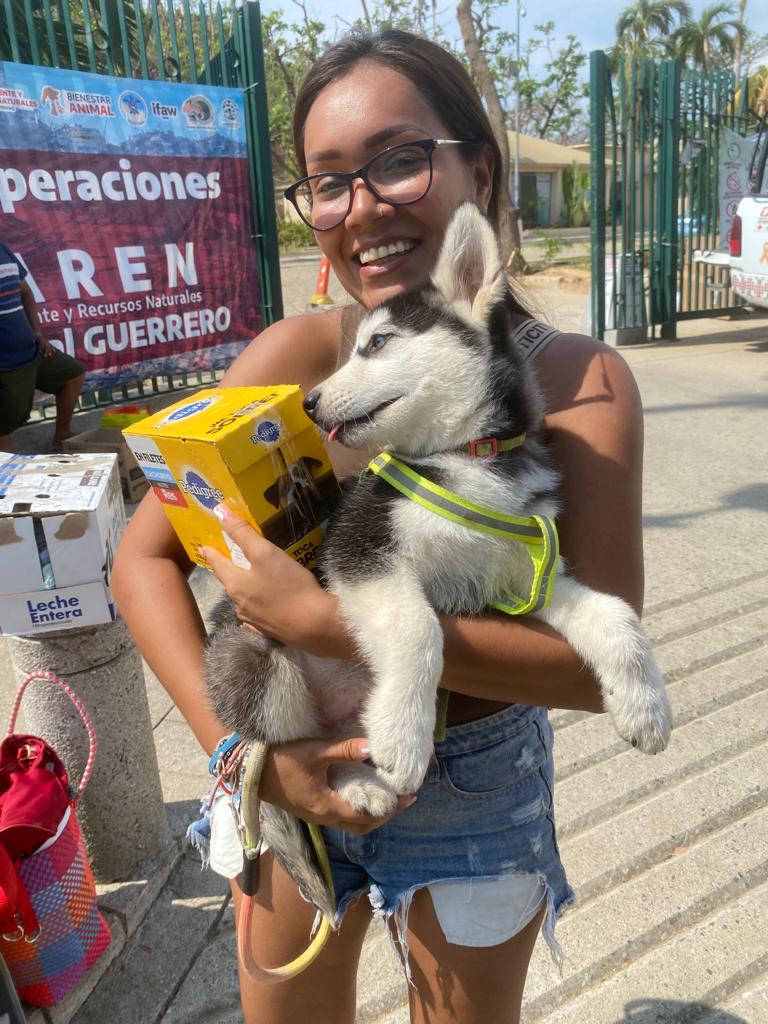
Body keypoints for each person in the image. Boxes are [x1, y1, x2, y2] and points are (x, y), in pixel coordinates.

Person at [112, 29, 648, 1024]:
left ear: (480, 172)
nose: (359, 206)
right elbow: (141, 557)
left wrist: (324, 619)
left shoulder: (575, 382)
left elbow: (588, 667)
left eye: (399, 160)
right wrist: (240, 755)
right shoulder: (292, 357)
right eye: (326, 181)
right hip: (292, 753)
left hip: (472, 788)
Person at [0, 240, 86, 452]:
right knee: (4, 427)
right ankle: (10, 480)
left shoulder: (3, 249)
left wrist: (37, 333)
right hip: (6, 364)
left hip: (32, 350)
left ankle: (61, 436)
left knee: (73, 374)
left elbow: (26, 292)